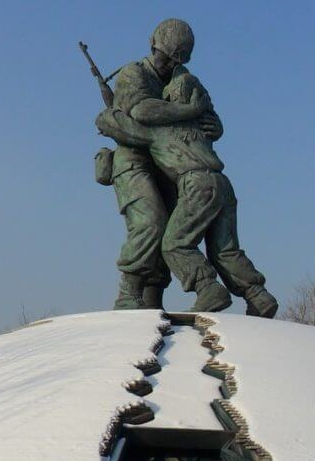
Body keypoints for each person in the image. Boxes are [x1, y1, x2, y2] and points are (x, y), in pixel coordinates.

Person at [96, 69, 279, 317]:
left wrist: (108, 117)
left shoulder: (162, 131)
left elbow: (128, 125)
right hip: (222, 185)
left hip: (197, 186)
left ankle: (207, 288)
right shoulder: (201, 129)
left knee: (174, 245)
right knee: (225, 249)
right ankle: (257, 295)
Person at [102, 19, 220, 310]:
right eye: (163, 55)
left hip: (168, 163)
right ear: (153, 46)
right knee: (149, 222)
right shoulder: (133, 73)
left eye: (173, 59)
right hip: (133, 159)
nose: (166, 63)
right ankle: (128, 294)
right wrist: (188, 111)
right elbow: (142, 110)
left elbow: (211, 121)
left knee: (170, 229)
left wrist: (211, 124)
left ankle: (152, 299)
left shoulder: (184, 78)